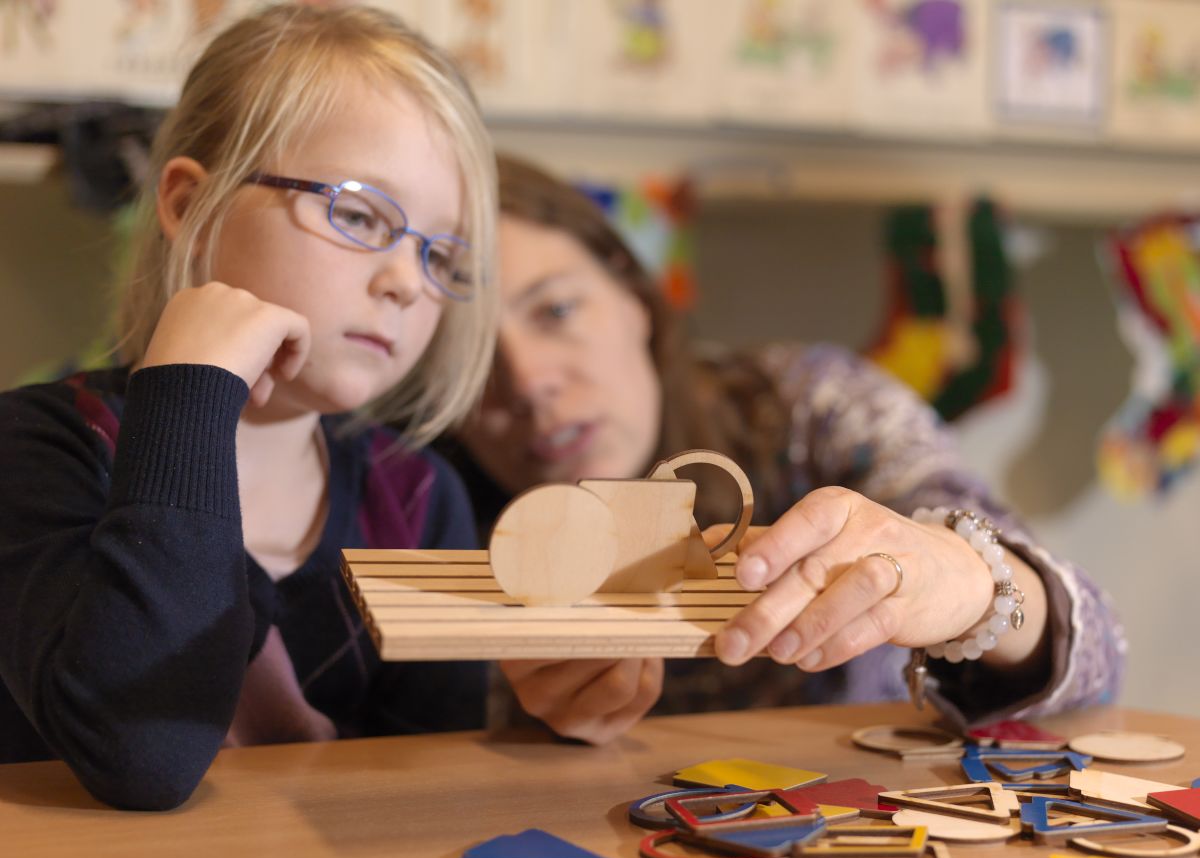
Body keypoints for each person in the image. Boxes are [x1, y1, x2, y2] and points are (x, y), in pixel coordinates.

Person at [440, 154, 1126, 745]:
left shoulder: (808, 408)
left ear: (632, 296)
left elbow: (1095, 652)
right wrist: (520, 723)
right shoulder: (418, 506)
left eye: (557, 310)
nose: (529, 382)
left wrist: (967, 582)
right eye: (471, 354)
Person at [0, 5, 499, 810]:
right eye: (361, 214)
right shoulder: (39, 448)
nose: (408, 281)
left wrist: (564, 713)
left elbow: (432, 796)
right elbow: (142, 753)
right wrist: (192, 392)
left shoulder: (414, 499)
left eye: (440, 251)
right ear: (193, 207)